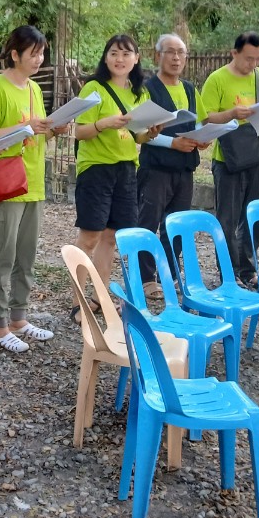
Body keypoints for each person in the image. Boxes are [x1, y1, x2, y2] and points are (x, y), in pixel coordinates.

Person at [0, 25, 68, 353]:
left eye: (42, 54)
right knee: (2, 257)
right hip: (7, 185)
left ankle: (18, 319)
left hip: (33, 183)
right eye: (33, 54)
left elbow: (36, 133)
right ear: (14, 54)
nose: (39, 59)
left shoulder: (34, 89)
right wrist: (24, 126)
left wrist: (53, 130)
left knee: (26, 257)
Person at [71, 34, 156, 319]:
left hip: (126, 169)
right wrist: (103, 123)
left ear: (136, 58)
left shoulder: (139, 93)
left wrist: (150, 133)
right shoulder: (94, 88)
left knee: (111, 237)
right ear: (105, 57)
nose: (120, 59)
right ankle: (78, 303)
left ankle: (100, 297)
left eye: (126, 54)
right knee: (90, 237)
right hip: (96, 169)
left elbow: (137, 135)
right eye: (114, 53)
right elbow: (79, 132)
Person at [200, 31, 259, 287]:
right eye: (248, 58)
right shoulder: (217, 79)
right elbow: (206, 117)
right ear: (234, 53)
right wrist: (232, 114)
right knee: (228, 218)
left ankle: (248, 269)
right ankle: (228, 272)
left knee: (254, 216)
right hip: (229, 159)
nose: (253, 63)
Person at [136, 33, 209, 280]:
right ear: (157, 56)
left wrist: (202, 138)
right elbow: (140, 132)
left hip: (185, 169)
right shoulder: (147, 90)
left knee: (177, 226)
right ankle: (145, 279)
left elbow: (198, 122)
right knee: (148, 223)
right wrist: (172, 143)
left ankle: (169, 276)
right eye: (170, 52)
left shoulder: (190, 89)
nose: (176, 58)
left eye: (181, 53)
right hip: (156, 169)